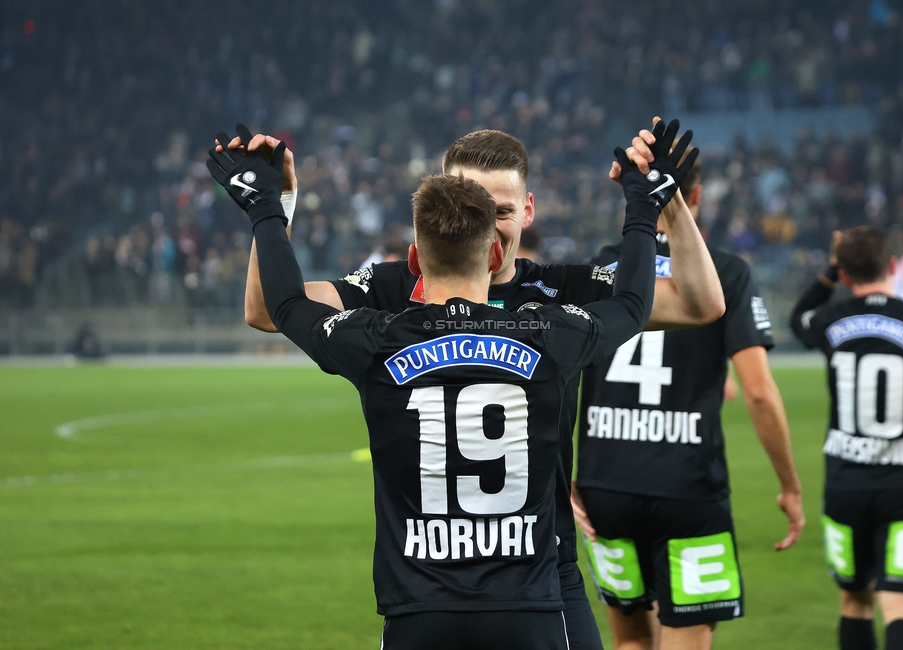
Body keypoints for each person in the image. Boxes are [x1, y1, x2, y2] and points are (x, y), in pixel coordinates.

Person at [230, 122, 725, 648]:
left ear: (528, 210)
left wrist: (671, 202)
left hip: (537, 571)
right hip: (470, 585)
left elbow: (700, 302)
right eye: (473, 206)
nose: (486, 223)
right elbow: (263, 311)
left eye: (501, 211)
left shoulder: (558, 287)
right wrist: (648, 206)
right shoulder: (399, 287)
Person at [572, 148, 805, 650]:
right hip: (687, 488)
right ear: (694, 195)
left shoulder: (597, 270)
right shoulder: (728, 273)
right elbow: (760, 393)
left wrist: (564, 472)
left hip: (604, 487)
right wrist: (790, 485)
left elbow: (563, 375)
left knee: (632, 641)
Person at [790, 226, 903, 650]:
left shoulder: (831, 320)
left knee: (854, 601)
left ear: (845, 274)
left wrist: (829, 274)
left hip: (845, 484)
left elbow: (798, 318)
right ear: (892, 266)